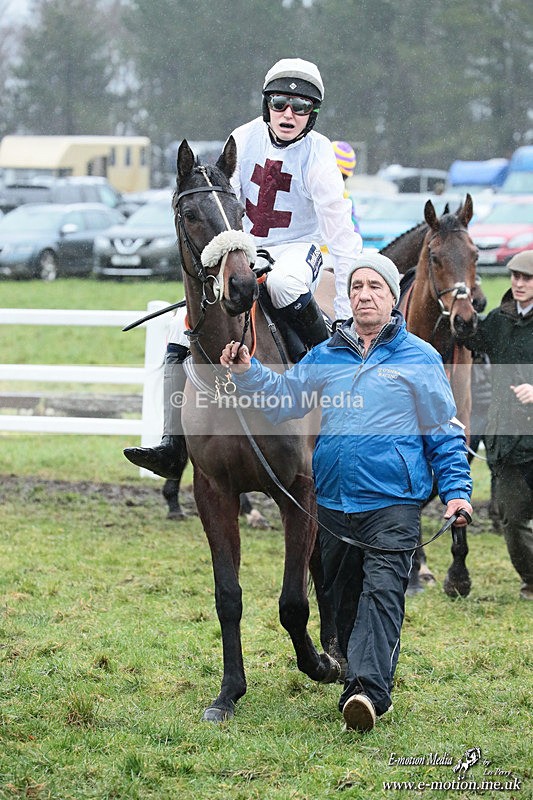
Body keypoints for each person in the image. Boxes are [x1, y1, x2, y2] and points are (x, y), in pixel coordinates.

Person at [220, 252, 473, 731]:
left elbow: (443, 430)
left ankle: (366, 692)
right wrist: (249, 373)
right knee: (345, 603)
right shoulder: (327, 354)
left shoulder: (418, 357)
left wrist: (457, 491)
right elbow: (286, 399)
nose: (364, 295)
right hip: (334, 504)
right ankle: (359, 683)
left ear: (392, 298)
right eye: (356, 287)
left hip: (393, 503)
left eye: (375, 287)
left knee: (382, 597)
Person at [124, 57, 362, 478]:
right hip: (244, 246)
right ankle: (172, 444)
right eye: (279, 103)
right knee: (181, 325)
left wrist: (345, 313)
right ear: (266, 104)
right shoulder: (242, 137)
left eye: (300, 107)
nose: (288, 113)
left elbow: (341, 235)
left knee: (285, 285)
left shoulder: (320, 153)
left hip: (299, 247)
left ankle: (332, 387)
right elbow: (222, 208)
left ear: (312, 114)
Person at [464, 250, 533, 600]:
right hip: (508, 441)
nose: (518, 284)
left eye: (527, 278)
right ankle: (532, 580)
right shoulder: (498, 320)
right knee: (512, 518)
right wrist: (461, 309)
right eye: (515, 277)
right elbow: (470, 339)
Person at [332, 140, 361, 234]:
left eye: (343, 177)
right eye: (336, 175)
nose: (338, 182)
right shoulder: (304, 189)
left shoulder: (345, 197)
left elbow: (354, 230)